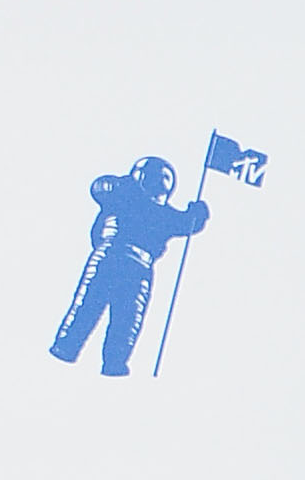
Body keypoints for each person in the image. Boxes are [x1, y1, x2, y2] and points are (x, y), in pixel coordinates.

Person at [48, 156, 207, 376]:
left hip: (125, 262)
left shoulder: (134, 200)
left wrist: (196, 215)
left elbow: (187, 224)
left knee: (113, 314)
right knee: (111, 313)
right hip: (119, 258)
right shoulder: (125, 195)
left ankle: (81, 352)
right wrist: (196, 214)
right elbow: (100, 187)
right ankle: (86, 354)